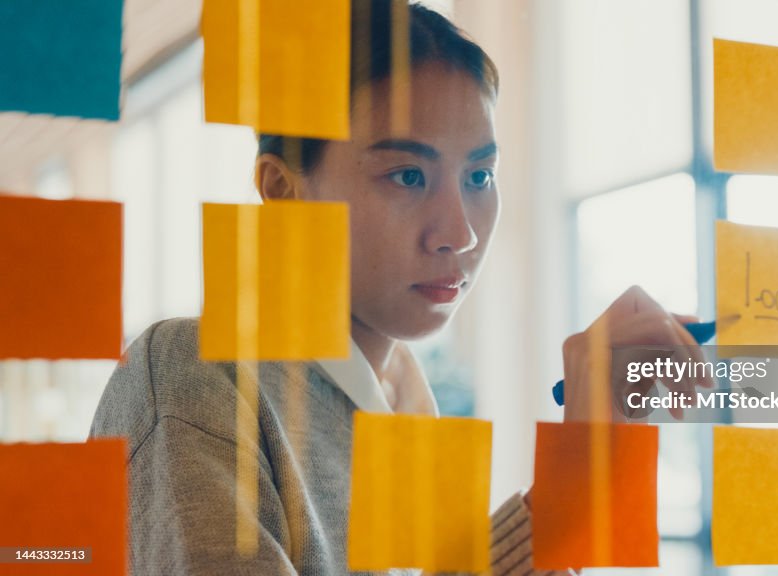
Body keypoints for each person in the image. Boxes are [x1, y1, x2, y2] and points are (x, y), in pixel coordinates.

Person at [89, 1, 710, 574]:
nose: (460, 232)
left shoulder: (408, 402)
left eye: (480, 175)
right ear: (284, 193)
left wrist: (586, 460)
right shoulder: (196, 373)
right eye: (408, 175)